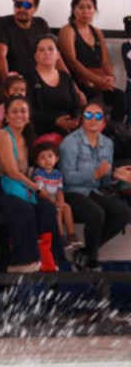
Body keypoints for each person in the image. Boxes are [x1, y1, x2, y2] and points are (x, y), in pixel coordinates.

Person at [0, 96, 61, 273]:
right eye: (14, 111)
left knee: (47, 208)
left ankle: (51, 259)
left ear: (29, 116)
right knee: (23, 209)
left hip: (15, 187)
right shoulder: (2, 136)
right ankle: (22, 260)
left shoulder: (27, 139)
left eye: (23, 111)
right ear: (6, 116)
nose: (19, 115)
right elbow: (12, 172)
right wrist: (38, 189)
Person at [58, 102, 131, 271]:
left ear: (103, 122)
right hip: (71, 191)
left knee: (123, 213)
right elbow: (66, 177)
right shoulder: (69, 143)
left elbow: (103, 181)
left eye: (97, 116)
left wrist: (114, 176)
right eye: (88, 115)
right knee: (96, 213)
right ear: (82, 119)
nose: (93, 119)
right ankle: (91, 261)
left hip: (93, 190)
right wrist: (94, 174)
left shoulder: (108, 144)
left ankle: (86, 254)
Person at [58, 0, 126, 124]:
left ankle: (114, 131)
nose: (85, 11)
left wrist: (110, 77)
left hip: (97, 81)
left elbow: (105, 60)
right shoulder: (68, 30)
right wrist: (97, 80)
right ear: (73, 10)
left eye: (89, 7)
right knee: (95, 96)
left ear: (94, 10)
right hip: (77, 83)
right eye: (81, 7)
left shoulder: (97, 32)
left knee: (120, 97)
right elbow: (72, 62)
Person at [0, 0, 53, 85]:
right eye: (18, 4)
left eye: (27, 5)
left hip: (36, 81)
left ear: (36, 8)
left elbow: (53, 56)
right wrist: (9, 87)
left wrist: (71, 84)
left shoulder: (41, 24)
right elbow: (0, 59)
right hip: (11, 81)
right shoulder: (2, 23)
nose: (22, 9)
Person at [29, 142, 82, 251]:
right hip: (43, 199)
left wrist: (61, 201)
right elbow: (41, 191)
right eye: (42, 158)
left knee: (66, 207)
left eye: (50, 156)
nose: (47, 160)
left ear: (56, 158)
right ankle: (60, 237)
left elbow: (59, 190)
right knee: (57, 210)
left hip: (54, 198)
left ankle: (71, 235)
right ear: (37, 162)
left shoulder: (57, 174)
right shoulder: (38, 173)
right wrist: (55, 203)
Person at [27, 35, 81, 138]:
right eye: (41, 50)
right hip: (40, 132)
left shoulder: (65, 77)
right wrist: (54, 121)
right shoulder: (29, 78)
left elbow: (76, 104)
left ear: (58, 54)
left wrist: (74, 120)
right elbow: (29, 110)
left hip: (67, 131)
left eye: (51, 49)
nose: (46, 53)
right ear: (35, 57)